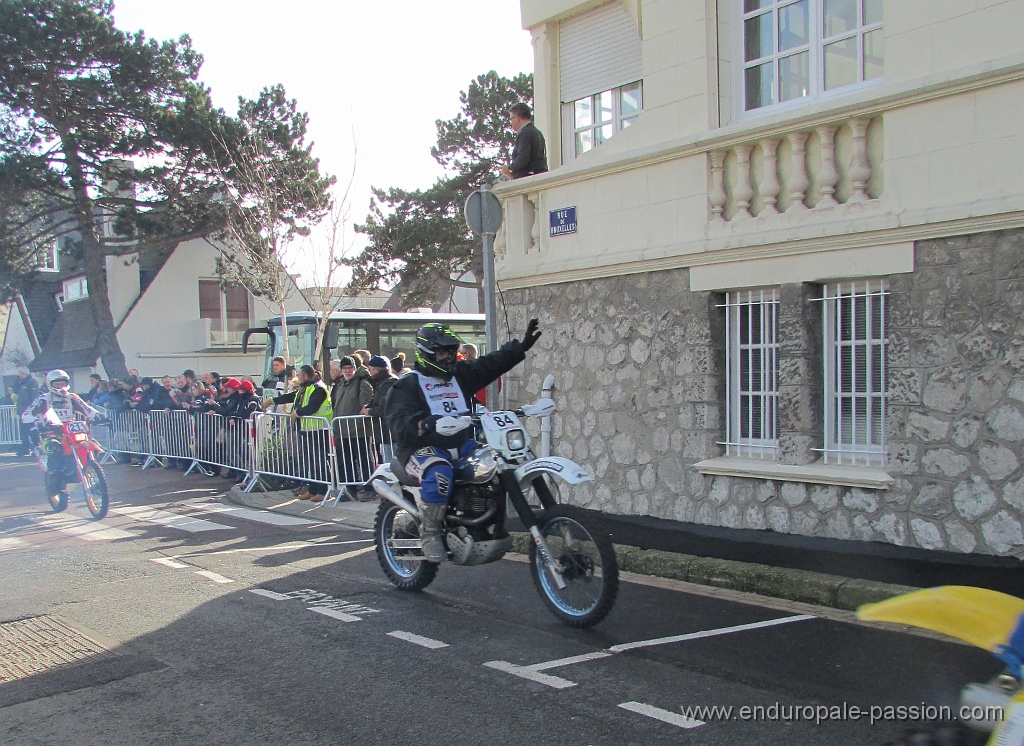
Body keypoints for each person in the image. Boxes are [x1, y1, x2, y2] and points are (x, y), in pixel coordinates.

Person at [385, 319, 542, 562]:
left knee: (497, 463)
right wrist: (425, 423)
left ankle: (489, 522)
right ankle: (430, 532)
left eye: (451, 352)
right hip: (420, 449)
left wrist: (520, 347)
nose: (447, 358)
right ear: (426, 353)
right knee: (440, 473)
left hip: (460, 444)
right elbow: (397, 422)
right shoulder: (407, 384)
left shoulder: (460, 375)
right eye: (441, 353)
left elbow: (489, 365)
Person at [22, 370, 101, 497]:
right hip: (50, 433)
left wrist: (98, 415)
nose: (61, 387)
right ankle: (54, 487)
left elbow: (87, 409)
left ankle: (92, 474)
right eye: (57, 384)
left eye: (63, 384)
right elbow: (26, 415)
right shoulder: (43, 399)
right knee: (55, 449)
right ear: (50, 384)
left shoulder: (72, 397)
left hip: (71, 431)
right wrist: (38, 421)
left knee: (93, 444)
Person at [264, 365, 333, 501]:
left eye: (300, 375)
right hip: (307, 429)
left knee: (319, 462)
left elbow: (313, 406)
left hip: (319, 429)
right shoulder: (306, 388)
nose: (298, 378)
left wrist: (298, 412)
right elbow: (293, 397)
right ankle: (313, 489)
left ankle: (324, 491)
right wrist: (273, 401)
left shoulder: (318, 388)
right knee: (310, 462)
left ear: (306, 376)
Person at [332, 355, 373, 499]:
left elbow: (366, 404)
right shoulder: (341, 384)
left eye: (350, 368)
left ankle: (370, 489)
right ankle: (350, 490)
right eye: (345, 368)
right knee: (346, 462)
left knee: (364, 461)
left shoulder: (362, 383)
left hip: (359, 430)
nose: (348, 371)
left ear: (355, 368)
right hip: (343, 431)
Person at [363, 354, 398, 479]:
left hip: (390, 432)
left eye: (371, 369)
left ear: (377, 370)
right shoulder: (382, 383)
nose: (370, 373)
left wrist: (370, 411)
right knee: (388, 461)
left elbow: (384, 408)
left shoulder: (388, 384)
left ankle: (393, 490)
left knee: (391, 464)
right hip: (386, 432)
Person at [499, 103, 547, 180]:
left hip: (527, 180)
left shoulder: (524, 133)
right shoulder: (537, 132)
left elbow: (523, 159)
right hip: (539, 177)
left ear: (517, 118)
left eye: (511, 118)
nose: (510, 122)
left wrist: (509, 168)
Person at [12, 367, 39, 457]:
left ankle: (36, 449)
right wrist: (17, 381)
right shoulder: (21, 382)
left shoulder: (32, 382)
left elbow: (34, 397)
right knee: (23, 432)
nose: (18, 374)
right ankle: (25, 449)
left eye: (19, 373)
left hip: (29, 412)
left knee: (32, 431)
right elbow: (15, 391)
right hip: (22, 411)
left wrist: (30, 408)